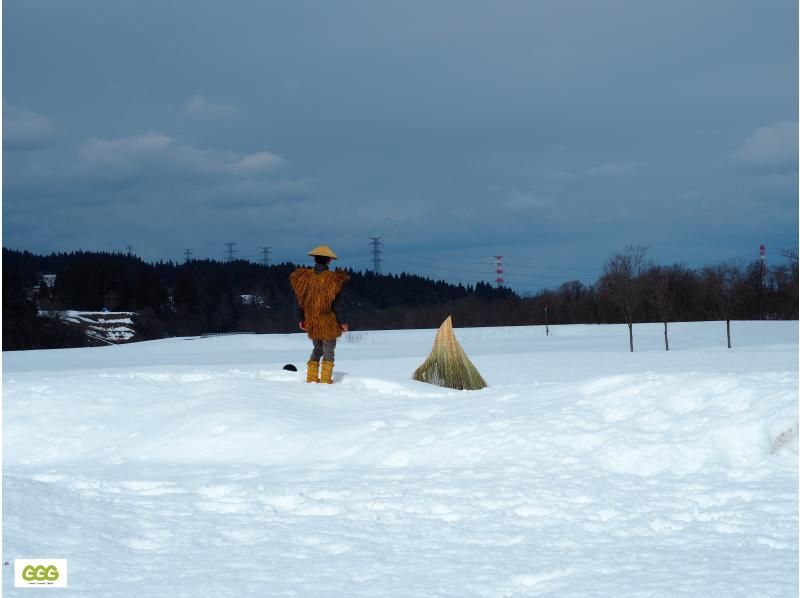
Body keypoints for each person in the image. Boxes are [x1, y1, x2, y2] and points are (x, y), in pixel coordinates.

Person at [289, 245, 350, 384]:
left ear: (315, 259)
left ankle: (311, 378)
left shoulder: (303, 279)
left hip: (312, 322)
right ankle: (326, 380)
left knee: (317, 347)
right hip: (328, 322)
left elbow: (298, 302)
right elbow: (338, 304)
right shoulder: (333, 279)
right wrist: (343, 322)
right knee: (329, 349)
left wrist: (300, 319)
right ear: (329, 261)